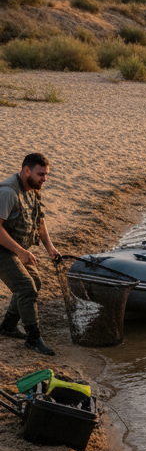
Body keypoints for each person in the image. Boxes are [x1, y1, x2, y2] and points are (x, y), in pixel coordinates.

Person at [0, 152, 61, 356]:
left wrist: (50, 248)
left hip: (13, 249)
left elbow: (40, 221)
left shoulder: (33, 190)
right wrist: (20, 251)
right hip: (2, 249)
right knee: (27, 287)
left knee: (35, 282)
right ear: (27, 170)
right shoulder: (8, 193)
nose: (45, 179)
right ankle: (33, 338)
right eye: (41, 174)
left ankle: (8, 326)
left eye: (46, 174)